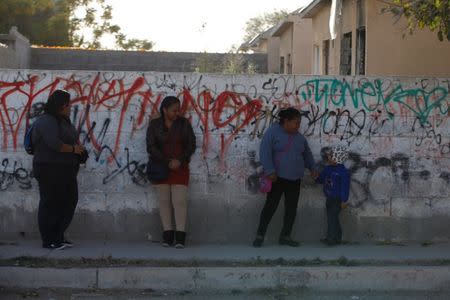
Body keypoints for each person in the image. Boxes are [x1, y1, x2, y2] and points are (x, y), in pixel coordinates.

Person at [253, 108, 318, 248]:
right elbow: (265, 152)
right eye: (296, 122)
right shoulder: (272, 133)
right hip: (277, 178)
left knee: (291, 209)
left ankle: (285, 236)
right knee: (270, 207)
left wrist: (312, 167)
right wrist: (270, 171)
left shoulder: (300, 138)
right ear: (286, 121)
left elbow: (307, 154)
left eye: (299, 123)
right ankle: (260, 235)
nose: (298, 126)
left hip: (295, 179)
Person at [32, 89, 86, 250]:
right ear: (61, 105)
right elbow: (54, 143)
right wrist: (73, 150)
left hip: (66, 170)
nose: (70, 107)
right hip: (49, 168)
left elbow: (71, 138)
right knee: (51, 203)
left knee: (69, 201)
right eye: (68, 104)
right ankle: (49, 240)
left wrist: (79, 148)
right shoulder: (46, 120)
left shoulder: (64, 120)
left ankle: (58, 235)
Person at [146, 96, 196, 248]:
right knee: (164, 202)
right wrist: (167, 162)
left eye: (178, 110)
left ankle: (180, 237)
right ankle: (167, 236)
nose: (177, 113)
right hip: (161, 167)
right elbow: (150, 146)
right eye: (173, 110)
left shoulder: (184, 124)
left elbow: (191, 145)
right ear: (164, 110)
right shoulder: (154, 125)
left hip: (180, 168)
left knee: (179, 202)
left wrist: (180, 160)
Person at [315, 146, 350, 246]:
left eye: (331, 156)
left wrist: (344, 200)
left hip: (337, 200)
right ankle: (337, 237)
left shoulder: (343, 172)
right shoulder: (328, 169)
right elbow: (321, 178)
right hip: (329, 198)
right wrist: (316, 178)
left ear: (337, 158)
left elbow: (345, 187)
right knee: (333, 218)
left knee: (332, 218)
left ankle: (331, 239)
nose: (328, 157)